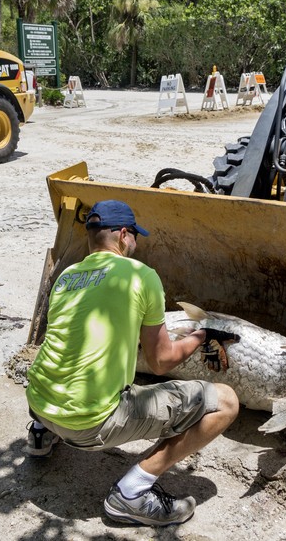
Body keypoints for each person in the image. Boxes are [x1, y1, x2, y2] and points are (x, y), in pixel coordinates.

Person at [24, 199, 240, 526]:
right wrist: (200, 336)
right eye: (135, 236)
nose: (136, 243)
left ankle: (40, 435)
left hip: (39, 400)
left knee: (63, 356)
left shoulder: (67, 276)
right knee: (226, 402)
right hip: (87, 423)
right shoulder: (140, 275)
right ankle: (131, 494)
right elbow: (161, 362)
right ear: (123, 235)